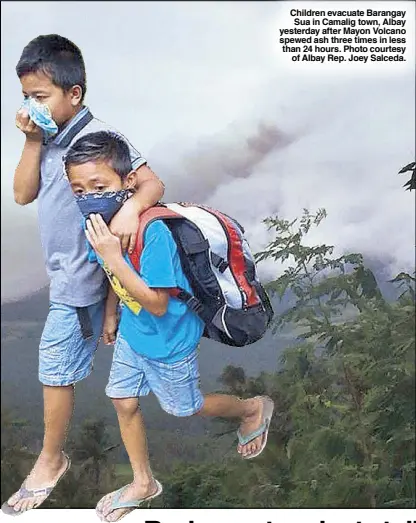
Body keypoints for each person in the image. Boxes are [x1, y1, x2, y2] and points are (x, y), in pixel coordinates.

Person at [63, 131, 275, 522]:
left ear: (128, 182)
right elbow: (115, 276)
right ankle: (143, 482)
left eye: (99, 186)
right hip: (133, 332)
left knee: (185, 408)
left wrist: (114, 254)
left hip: (168, 341)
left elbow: (158, 304)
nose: (88, 196)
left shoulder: (152, 232)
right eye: (78, 189)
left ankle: (250, 408)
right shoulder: (97, 224)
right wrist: (112, 312)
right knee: (123, 401)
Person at [2, 35, 165, 516]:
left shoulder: (101, 139)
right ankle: (240, 412)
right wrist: (32, 139)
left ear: (74, 94)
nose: (33, 105)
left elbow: (151, 181)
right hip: (73, 277)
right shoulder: (46, 140)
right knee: (155, 383)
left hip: (85, 279)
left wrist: (133, 208)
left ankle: (51, 460)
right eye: (27, 96)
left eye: (41, 96)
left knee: (55, 370)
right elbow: (21, 194)